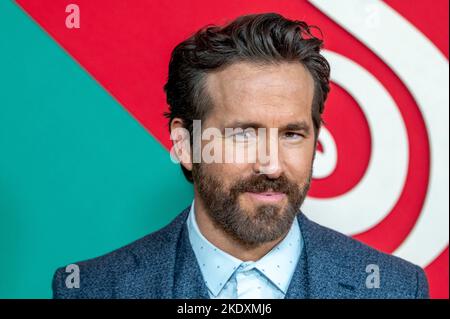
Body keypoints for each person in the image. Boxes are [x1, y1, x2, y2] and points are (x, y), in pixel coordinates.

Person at [52, 12, 429, 299]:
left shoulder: (394, 287)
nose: (272, 164)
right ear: (184, 144)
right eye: (243, 134)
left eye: (292, 134)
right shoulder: (94, 288)